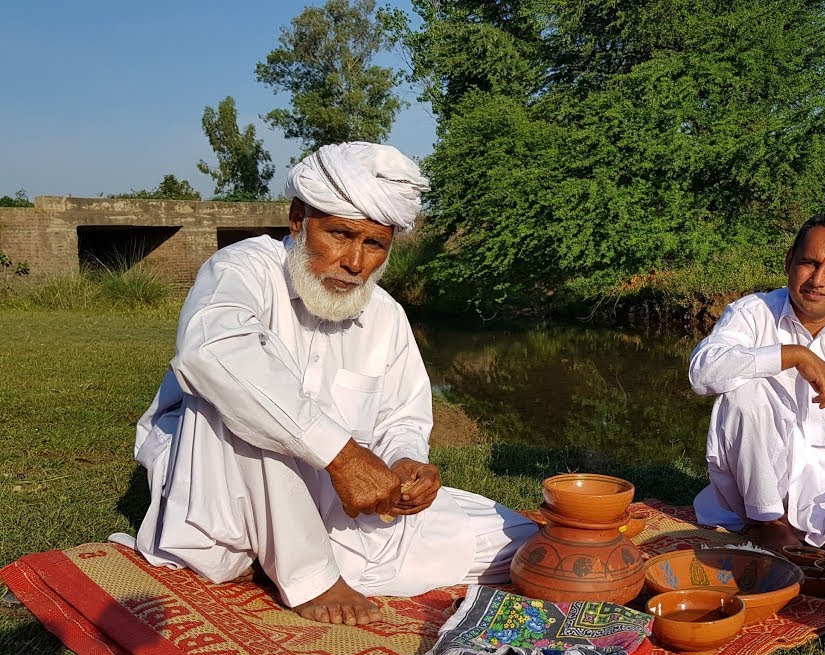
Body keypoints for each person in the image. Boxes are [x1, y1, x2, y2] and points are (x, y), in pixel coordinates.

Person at [112, 142, 536, 625]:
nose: (355, 262)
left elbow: (402, 414)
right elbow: (210, 351)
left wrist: (405, 462)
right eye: (340, 234)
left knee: (518, 543)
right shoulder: (244, 268)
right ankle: (310, 577)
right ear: (298, 219)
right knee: (242, 397)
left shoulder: (386, 316)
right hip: (218, 495)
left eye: (374, 245)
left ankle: (295, 553)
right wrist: (342, 455)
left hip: (331, 503)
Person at [688, 213, 825, 574]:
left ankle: (812, 540)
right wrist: (791, 355)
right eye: (809, 262)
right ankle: (771, 524)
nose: (818, 280)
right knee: (744, 386)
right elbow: (702, 373)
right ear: (790, 260)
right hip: (761, 479)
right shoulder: (752, 313)